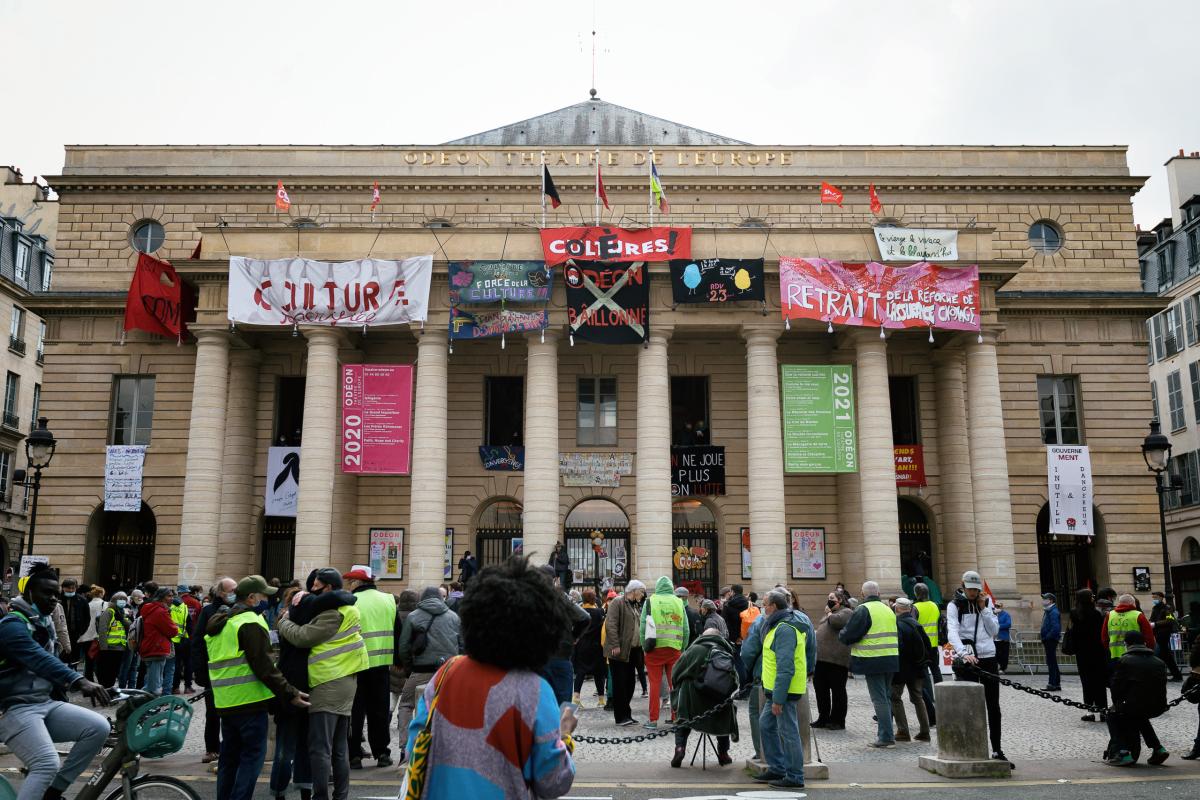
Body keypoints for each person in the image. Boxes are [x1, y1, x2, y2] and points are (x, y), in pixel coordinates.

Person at [402, 556, 576, 799]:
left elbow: (414, 747)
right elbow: (553, 782)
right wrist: (564, 736)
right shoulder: (535, 689)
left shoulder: (447, 672)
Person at [0, 564, 112, 800]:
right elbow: (38, 658)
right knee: (46, 763)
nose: (53, 599)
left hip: (43, 703)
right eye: (47, 593)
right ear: (30, 593)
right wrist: (79, 680)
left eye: (56, 594)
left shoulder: (44, 622)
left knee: (99, 727)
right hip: (13, 709)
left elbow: (52, 664)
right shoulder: (12, 625)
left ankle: (53, 793)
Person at [206, 575, 310, 800]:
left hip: (226, 703)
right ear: (252, 598)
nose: (267, 600)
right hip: (250, 703)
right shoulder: (250, 623)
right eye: (264, 596)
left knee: (229, 760)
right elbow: (265, 667)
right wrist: (290, 693)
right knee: (251, 758)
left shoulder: (223, 623)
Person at [278, 568, 368, 800]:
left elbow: (303, 637)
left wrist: (284, 621)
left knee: (320, 748)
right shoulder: (347, 608)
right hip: (343, 679)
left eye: (316, 586)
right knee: (339, 747)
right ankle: (340, 796)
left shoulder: (333, 613)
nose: (312, 590)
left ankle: (321, 796)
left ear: (328, 588)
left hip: (328, 681)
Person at [753, 589, 814, 790]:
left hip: (784, 692)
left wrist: (778, 699)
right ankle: (778, 768)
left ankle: (795, 776)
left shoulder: (785, 628)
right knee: (766, 725)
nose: (762, 608)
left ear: (774, 606)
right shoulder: (777, 625)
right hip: (776, 690)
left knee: (788, 732)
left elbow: (786, 667)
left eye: (764, 604)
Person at [947, 570, 1009, 766]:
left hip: (988, 655)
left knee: (993, 706)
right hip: (969, 658)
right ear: (963, 586)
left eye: (976, 589)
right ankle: (969, 748)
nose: (973, 593)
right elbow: (952, 631)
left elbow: (994, 630)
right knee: (970, 706)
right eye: (970, 589)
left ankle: (997, 749)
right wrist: (962, 653)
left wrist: (984, 609)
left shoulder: (986, 602)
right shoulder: (954, 605)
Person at [342, 566, 397, 769]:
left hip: (355, 664)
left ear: (357, 582)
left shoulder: (350, 601)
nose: (348, 586)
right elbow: (397, 630)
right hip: (381, 664)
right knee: (379, 710)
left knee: (355, 712)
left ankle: (354, 754)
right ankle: (382, 753)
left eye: (350, 582)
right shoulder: (388, 600)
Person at [394, 585, 463, 743]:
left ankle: (406, 746)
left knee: (406, 704)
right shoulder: (453, 617)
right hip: (448, 671)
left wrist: (410, 669)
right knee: (449, 705)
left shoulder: (413, 616)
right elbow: (462, 645)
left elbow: (403, 647)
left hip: (421, 669)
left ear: (422, 598)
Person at [669, 615, 739, 768]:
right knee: (727, 709)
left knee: (683, 715)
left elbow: (676, 672)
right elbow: (735, 682)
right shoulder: (725, 651)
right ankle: (723, 753)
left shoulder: (693, 650)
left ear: (703, 637)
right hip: (718, 703)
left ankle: (680, 749)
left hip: (692, 701)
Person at [839, 580, 900, 748]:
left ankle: (886, 737)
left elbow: (849, 633)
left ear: (862, 594)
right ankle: (887, 734)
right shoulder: (888, 609)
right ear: (879, 594)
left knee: (879, 699)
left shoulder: (863, 609)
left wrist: (842, 635)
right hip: (891, 657)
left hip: (873, 659)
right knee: (885, 697)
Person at [1105, 631, 1170, 766]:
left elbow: (1116, 687)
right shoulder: (1159, 662)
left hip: (1133, 705)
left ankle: (1122, 752)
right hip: (1157, 706)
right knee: (1140, 716)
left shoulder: (1124, 661)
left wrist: (1117, 704)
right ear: (1144, 643)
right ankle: (1158, 748)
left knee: (1112, 715)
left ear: (1126, 644)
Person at [194, 577, 237, 763]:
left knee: (233, 714)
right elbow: (198, 642)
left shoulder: (239, 610)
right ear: (221, 592)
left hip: (234, 671)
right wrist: (200, 671)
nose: (234, 593)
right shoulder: (208, 611)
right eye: (231, 590)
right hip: (213, 670)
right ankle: (212, 749)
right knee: (212, 713)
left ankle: (230, 748)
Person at [640, 575, 690, 729]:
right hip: (674, 648)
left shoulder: (650, 601)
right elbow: (686, 628)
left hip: (654, 649)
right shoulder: (678, 602)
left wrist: (644, 647)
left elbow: (643, 626)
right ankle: (676, 717)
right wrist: (682, 647)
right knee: (675, 684)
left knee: (654, 684)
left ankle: (653, 720)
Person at [604, 579, 646, 726]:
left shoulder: (635, 605)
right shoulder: (618, 602)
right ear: (634, 591)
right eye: (641, 592)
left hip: (633, 650)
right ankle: (620, 716)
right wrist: (615, 644)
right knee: (620, 684)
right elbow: (611, 624)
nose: (643, 594)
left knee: (630, 683)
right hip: (620, 650)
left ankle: (627, 713)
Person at [890, 598, 932, 742]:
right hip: (918, 668)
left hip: (901, 669)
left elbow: (898, 647)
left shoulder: (898, 624)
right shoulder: (917, 624)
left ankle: (903, 731)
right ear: (910, 609)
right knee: (918, 698)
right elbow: (927, 645)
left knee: (895, 697)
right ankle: (925, 731)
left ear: (897, 609)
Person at [812, 591, 852, 730]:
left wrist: (829, 613)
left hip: (837, 660)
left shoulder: (846, 612)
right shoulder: (829, 613)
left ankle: (838, 720)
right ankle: (823, 717)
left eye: (832, 598)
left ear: (840, 600)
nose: (829, 600)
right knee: (820, 689)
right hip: (822, 659)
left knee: (837, 691)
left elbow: (836, 622)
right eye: (828, 598)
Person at [1070, 588, 1110, 722]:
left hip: (1082, 653)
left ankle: (1089, 711)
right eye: (1092, 596)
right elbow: (1101, 633)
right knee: (1099, 682)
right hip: (1097, 652)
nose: (1094, 598)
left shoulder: (1074, 613)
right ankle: (1103, 710)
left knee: (1086, 682)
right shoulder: (1097, 614)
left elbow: (1073, 633)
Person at [139, 585, 180, 695]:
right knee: (154, 686)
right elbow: (173, 631)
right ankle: (147, 703)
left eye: (172, 596)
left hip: (150, 647)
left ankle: (143, 701)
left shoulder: (150, 608)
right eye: (169, 596)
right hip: (157, 648)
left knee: (150, 680)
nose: (172, 598)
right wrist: (175, 626)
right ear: (162, 597)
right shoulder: (160, 611)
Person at [572, 588, 606, 707]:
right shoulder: (599, 612)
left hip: (582, 645)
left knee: (580, 672)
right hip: (596, 646)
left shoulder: (579, 612)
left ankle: (576, 697)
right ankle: (601, 700)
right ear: (593, 599)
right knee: (598, 672)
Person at [1102, 593, 1156, 666]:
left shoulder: (1110, 615)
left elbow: (1104, 636)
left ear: (1119, 603)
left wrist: (1108, 650)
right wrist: (1149, 650)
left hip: (1114, 654)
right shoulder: (1138, 615)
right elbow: (1149, 636)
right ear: (1133, 603)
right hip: (1135, 654)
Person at [94, 591, 130, 688]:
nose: (122, 601)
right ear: (114, 600)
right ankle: (106, 689)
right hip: (109, 648)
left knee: (114, 672)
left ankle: (109, 689)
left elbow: (129, 627)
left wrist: (122, 619)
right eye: (120, 599)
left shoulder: (123, 613)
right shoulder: (109, 612)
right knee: (106, 672)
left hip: (120, 648)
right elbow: (102, 630)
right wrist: (103, 648)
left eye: (124, 599)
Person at [58, 578, 92, 668]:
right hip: (60, 633)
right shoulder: (57, 599)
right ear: (63, 588)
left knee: (74, 657)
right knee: (60, 657)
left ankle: (73, 670)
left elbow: (87, 618)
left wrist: (81, 631)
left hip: (75, 634)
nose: (71, 590)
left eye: (73, 588)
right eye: (68, 588)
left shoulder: (82, 600)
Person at [1149, 592, 1183, 681]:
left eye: (1156, 597)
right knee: (1166, 656)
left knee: (1159, 655)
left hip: (1164, 634)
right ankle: (1176, 675)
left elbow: (1169, 620)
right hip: (1158, 633)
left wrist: (1155, 624)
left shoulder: (1166, 608)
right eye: (1153, 598)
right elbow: (1152, 619)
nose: (1154, 600)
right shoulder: (1155, 608)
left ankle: (1159, 676)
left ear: (1161, 598)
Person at [170, 585, 195, 694]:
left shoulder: (169, 607)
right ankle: (188, 687)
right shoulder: (184, 607)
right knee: (188, 663)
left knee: (175, 665)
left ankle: (175, 688)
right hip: (185, 638)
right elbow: (189, 624)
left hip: (172, 640)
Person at [1041, 592, 1062, 691]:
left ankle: (1052, 683)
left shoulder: (1053, 611)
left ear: (1050, 600)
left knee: (1051, 662)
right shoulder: (1048, 610)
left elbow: (1055, 628)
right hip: (1049, 639)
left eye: (1045, 599)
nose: (1043, 601)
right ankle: (1056, 683)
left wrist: (1047, 637)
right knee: (1052, 661)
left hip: (1050, 640)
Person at [720, 584, 750, 650]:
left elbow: (723, 621)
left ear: (733, 592)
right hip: (746, 634)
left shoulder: (728, 604)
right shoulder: (748, 604)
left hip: (732, 636)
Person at [994, 600, 1013, 673]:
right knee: (996, 654)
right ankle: (996, 667)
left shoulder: (1006, 615)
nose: (996, 607)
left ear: (1001, 607)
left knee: (1004, 655)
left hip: (1003, 638)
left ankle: (1003, 668)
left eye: (998, 606)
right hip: (994, 638)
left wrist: (998, 626)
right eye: (995, 606)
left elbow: (1008, 624)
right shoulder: (992, 614)